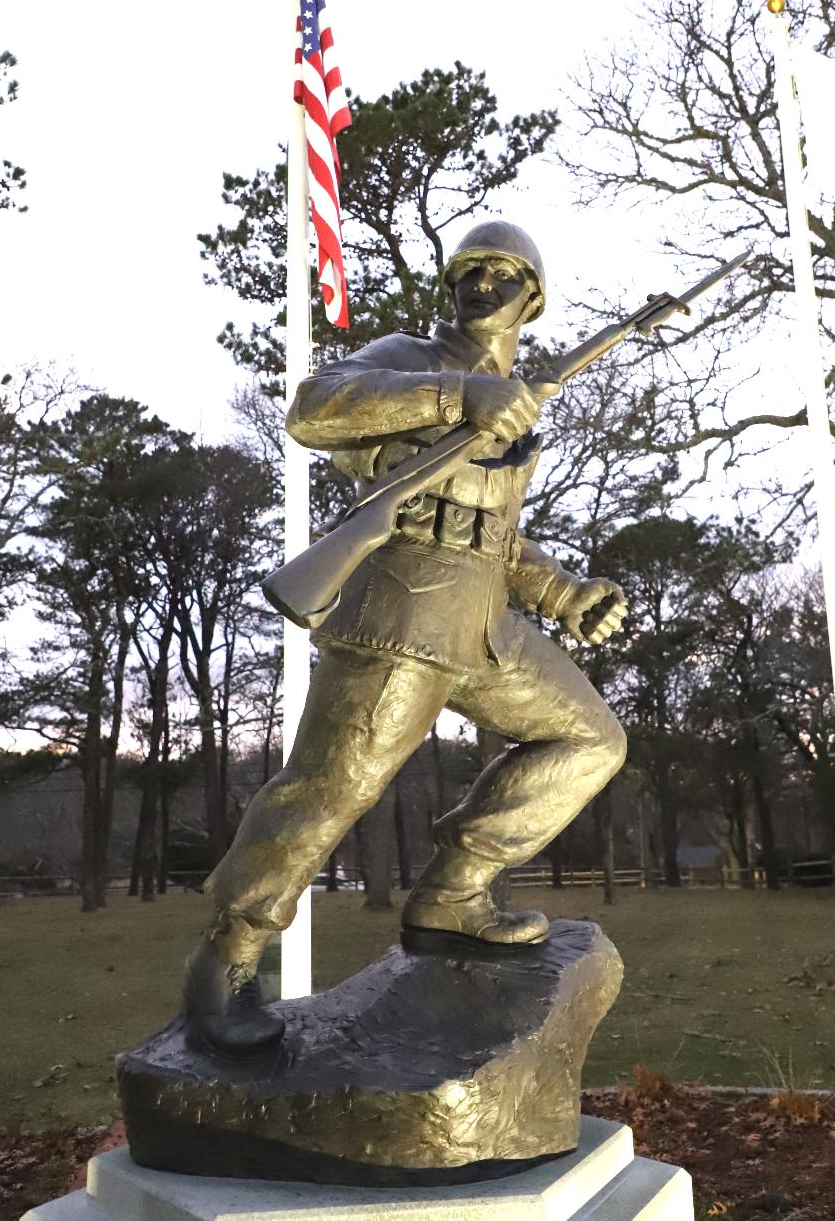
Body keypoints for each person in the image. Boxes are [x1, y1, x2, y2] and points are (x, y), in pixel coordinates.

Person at [183, 220, 628, 1052]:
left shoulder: (520, 398)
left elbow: (488, 533)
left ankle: (455, 892)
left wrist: (566, 594)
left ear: (531, 296)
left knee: (591, 739)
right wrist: (456, 399)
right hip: (400, 616)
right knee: (331, 789)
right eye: (470, 270)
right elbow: (312, 408)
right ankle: (229, 959)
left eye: (504, 274)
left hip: (484, 622)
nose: (483, 284)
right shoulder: (408, 357)